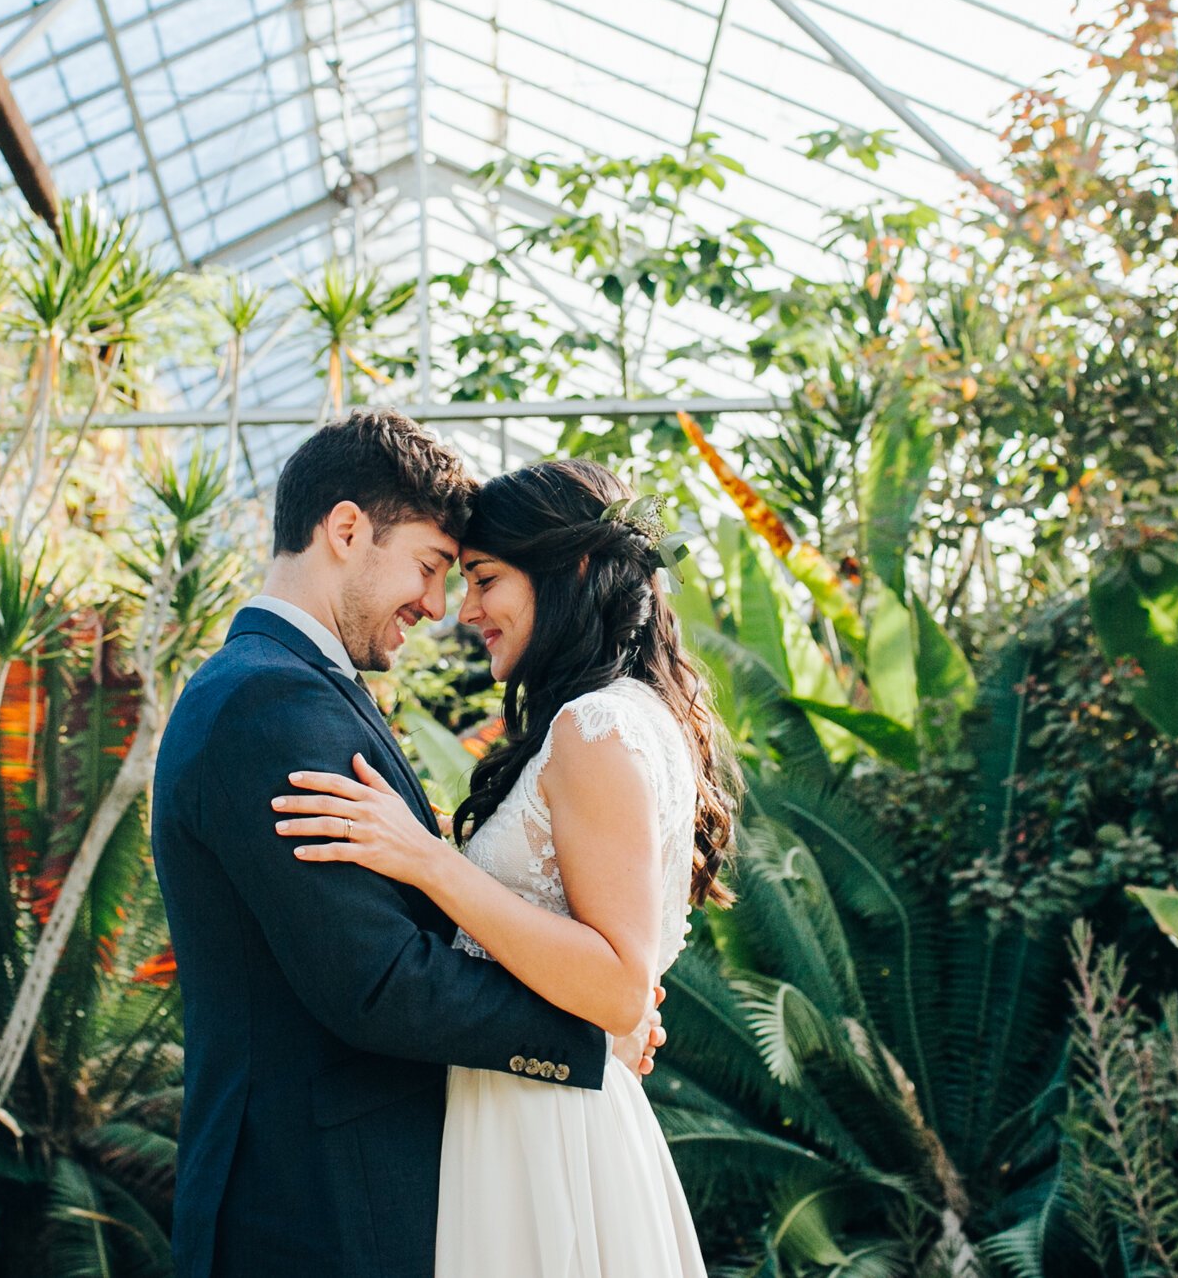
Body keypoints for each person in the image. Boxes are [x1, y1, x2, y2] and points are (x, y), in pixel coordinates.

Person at [152, 412, 666, 1278]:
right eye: (431, 566)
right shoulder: (266, 705)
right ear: (347, 529)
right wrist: (588, 1034)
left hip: (347, 1197)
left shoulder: (297, 690)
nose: (439, 607)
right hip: (312, 1214)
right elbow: (380, 979)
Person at [274, 457, 741, 1277]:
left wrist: (428, 862)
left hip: (547, 1136)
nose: (465, 609)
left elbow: (619, 985)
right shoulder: (613, 717)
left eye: (485, 578)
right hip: (531, 1116)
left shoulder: (597, 728)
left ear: (576, 570)